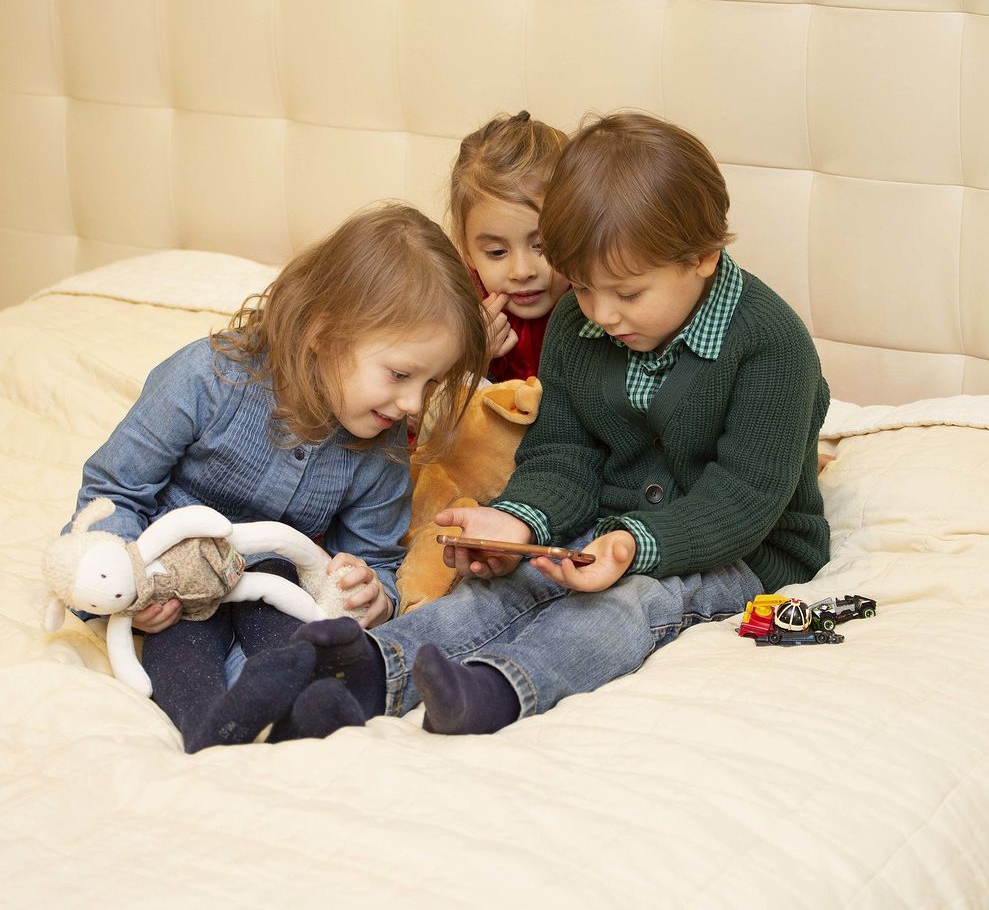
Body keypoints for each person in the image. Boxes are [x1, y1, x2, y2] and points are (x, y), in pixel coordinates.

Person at [279, 112, 831, 736]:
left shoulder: (772, 346)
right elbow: (563, 452)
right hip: (608, 526)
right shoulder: (578, 323)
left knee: (629, 602)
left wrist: (633, 545)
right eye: (586, 288)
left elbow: (743, 498)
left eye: (627, 294)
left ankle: (498, 689)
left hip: (744, 550)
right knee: (504, 585)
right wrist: (519, 521)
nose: (601, 314)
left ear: (702, 257)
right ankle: (371, 668)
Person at [64, 203, 488, 752]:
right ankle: (208, 725)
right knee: (182, 642)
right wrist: (128, 589)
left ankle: (308, 715)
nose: (412, 404)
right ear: (323, 332)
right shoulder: (203, 379)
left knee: (300, 641)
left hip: (273, 581)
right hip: (176, 573)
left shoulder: (381, 448)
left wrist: (372, 595)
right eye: (400, 374)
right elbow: (111, 494)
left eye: (430, 385)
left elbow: (375, 559)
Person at [449, 110, 570, 383]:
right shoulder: (456, 310)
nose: (522, 271)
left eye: (542, 246)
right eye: (497, 252)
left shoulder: (600, 303)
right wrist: (474, 357)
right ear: (467, 252)